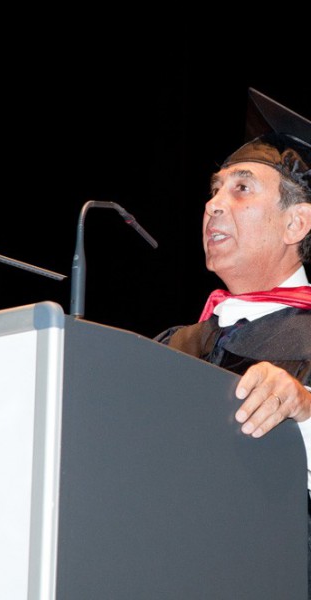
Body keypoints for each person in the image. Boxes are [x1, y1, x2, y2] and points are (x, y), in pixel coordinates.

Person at [155, 87, 311, 586]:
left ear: (296, 222)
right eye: (215, 189)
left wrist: (304, 409)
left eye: (241, 189)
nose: (213, 205)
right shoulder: (173, 346)